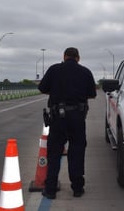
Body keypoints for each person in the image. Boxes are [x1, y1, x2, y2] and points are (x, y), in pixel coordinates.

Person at [38, 47, 97, 199]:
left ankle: (50, 190)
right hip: (77, 117)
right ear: (78, 58)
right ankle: (77, 188)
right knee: (77, 151)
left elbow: (42, 88)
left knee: (54, 152)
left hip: (58, 117)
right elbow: (92, 94)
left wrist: (57, 91)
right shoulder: (85, 72)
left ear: (64, 56)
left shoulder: (54, 69)